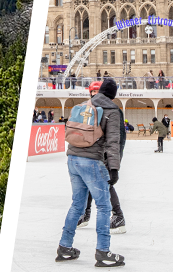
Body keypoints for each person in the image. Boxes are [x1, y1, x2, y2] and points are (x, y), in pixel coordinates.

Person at [56, 79, 126, 267]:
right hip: (92, 162)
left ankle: (64, 247)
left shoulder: (83, 106)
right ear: (113, 94)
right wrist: (114, 169)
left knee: (77, 205)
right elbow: (113, 142)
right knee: (103, 206)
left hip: (72, 159)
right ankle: (103, 252)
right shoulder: (111, 111)